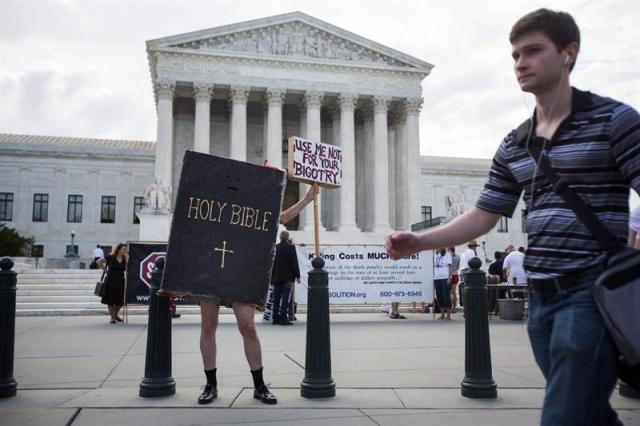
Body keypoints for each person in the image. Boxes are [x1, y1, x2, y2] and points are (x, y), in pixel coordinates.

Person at [386, 9, 639, 425]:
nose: (521, 63)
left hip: (593, 291)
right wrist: (421, 242)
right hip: (542, 299)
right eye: (516, 54)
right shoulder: (515, 143)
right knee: (586, 411)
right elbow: (486, 214)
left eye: (534, 51)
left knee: (564, 416)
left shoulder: (615, 121)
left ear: (568, 53)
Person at [197, 183, 319, 405]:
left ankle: (259, 385)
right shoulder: (212, 206)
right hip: (212, 268)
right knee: (208, 325)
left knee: (248, 328)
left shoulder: (252, 211)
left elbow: (281, 217)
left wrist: (308, 199)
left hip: (241, 271)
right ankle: (210, 384)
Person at [270, 230, 300, 326]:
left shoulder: (276, 248)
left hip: (276, 277)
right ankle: (283, 318)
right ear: (287, 238)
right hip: (288, 278)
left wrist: (271, 277)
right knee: (285, 299)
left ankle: (275, 318)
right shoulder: (291, 248)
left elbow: (271, 263)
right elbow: (294, 263)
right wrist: (298, 276)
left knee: (277, 298)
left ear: (280, 237)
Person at [97, 243, 127, 324]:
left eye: (125, 249)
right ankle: (113, 318)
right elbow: (99, 261)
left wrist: (127, 258)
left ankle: (115, 315)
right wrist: (105, 270)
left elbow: (127, 269)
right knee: (110, 300)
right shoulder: (111, 257)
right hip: (110, 280)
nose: (124, 250)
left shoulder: (125, 258)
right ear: (118, 249)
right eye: (123, 249)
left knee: (120, 301)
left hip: (120, 281)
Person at [457, 240, 479, 307]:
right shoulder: (472, 252)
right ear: (474, 247)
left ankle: (465, 307)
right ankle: (471, 305)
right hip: (469, 272)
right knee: (471, 290)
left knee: (465, 290)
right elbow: (474, 263)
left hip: (462, 272)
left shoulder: (464, 253)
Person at [433, 248, 453, 320]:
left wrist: (449, 277)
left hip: (445, 277)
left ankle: (448, 315)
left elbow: (450, 267)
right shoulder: (435, 255)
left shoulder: (447, 254)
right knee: (439, 296)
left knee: (446, 296)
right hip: (436, 277)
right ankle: (442, 314)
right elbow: (433, 267)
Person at [448, 247, 461, 312]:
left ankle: (450, 308)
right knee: (454, 292)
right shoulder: (458, 257)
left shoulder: (447, 256)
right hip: (455, 274)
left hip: (449, 275)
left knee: (449, 292)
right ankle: (454, 308)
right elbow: (458, 267)